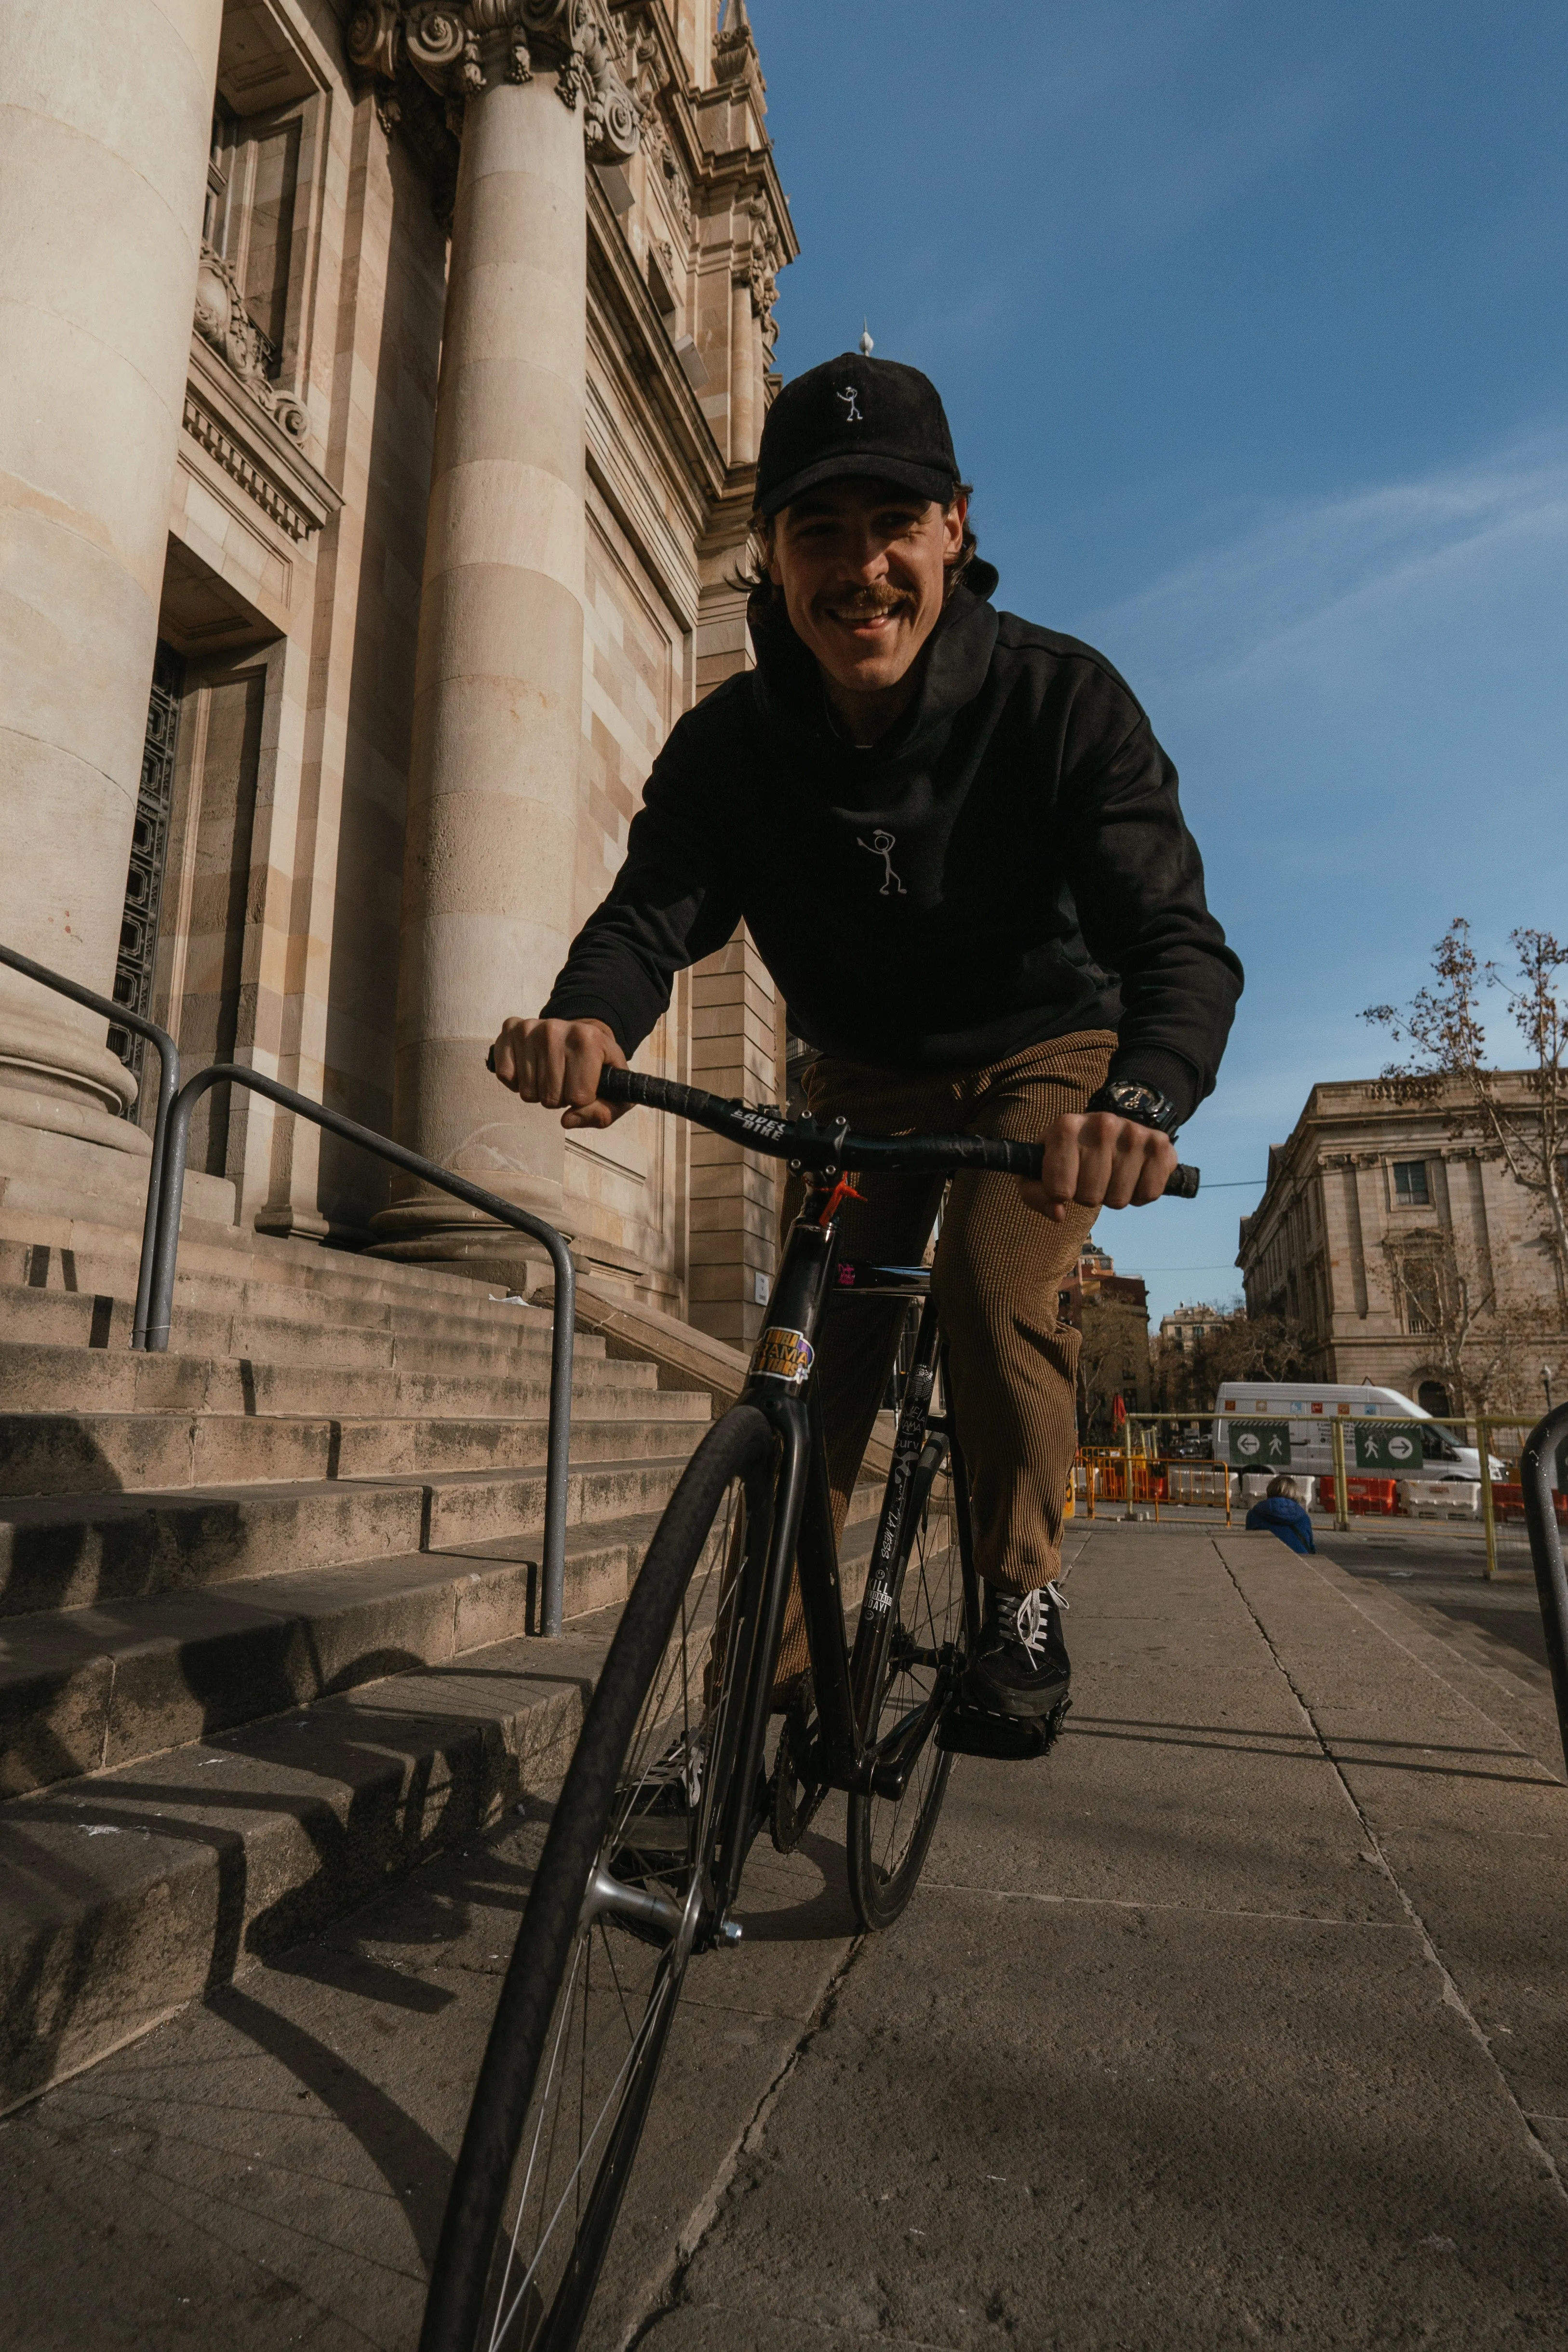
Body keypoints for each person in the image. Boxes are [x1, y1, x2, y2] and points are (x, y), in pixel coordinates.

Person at [490, 348, 1243, 1729]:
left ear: (955, 524)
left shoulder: (1060, 701)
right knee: (808, 1356)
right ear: (768, 556)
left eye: (892, 525)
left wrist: (1138, 1095)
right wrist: (587, 1018)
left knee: (993, 1282)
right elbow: (650, 912)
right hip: (858, 1072)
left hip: (1043, 1055)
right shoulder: (731, 744)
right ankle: (754, 1702)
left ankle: (1018, 1584)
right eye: (817, 531)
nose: (862, 570)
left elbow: (1177, 947)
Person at [1246, 1475, 1316, 1556]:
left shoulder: (1254, 1513)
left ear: (1269, 1491)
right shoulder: (1303, 1517)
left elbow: (1249, 1543)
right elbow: (1311, 1546)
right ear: (1295, 1493)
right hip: (1299, 1560)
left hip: (1264, 1559)